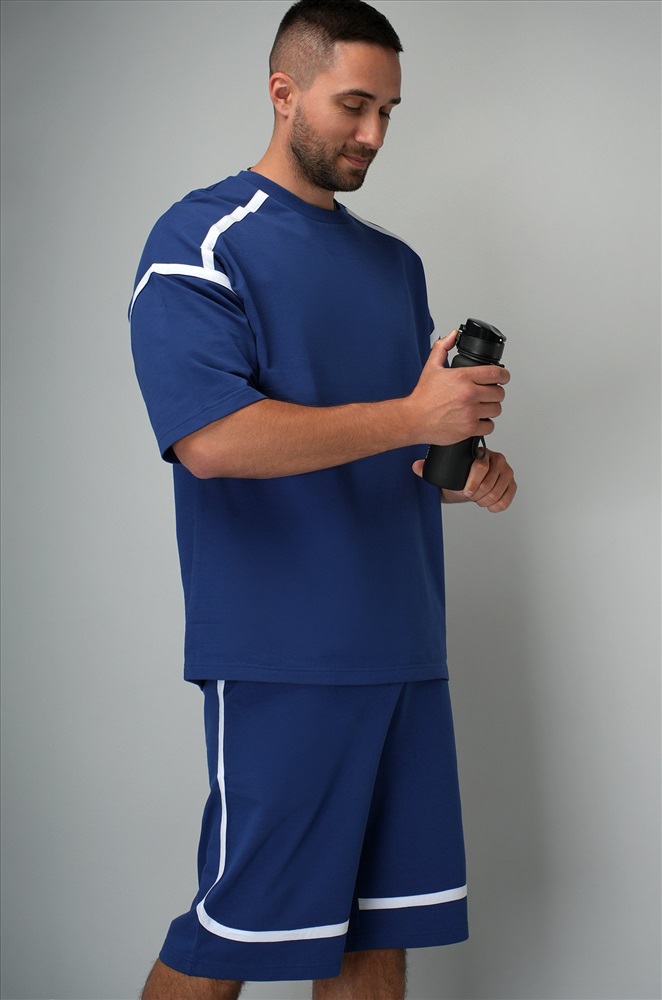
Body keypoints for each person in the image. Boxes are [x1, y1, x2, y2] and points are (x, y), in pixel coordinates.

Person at [130, 1, 516, 997]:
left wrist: (461, 466)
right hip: (283, 655)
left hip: (404, 646)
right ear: (283, 91)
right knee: (229, 934)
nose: (373, 134)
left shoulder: (395, 265)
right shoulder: (200, 238)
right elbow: (212, 440)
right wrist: (410, 415)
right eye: (354, 105)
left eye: (388, 111)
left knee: (374, 934)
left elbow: (390, 442)